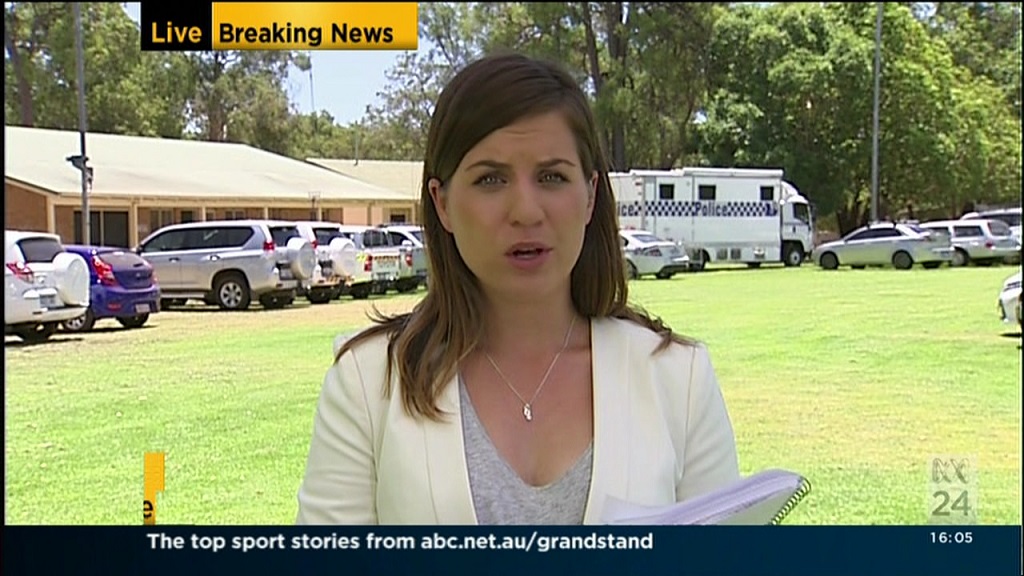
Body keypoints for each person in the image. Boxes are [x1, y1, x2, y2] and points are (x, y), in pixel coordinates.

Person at [295, 52, 740, 526]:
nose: (526, 211)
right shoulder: (368, 383)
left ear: (590, 194)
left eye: (552, 177)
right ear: (442, 204)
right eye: (491, 179)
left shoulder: (679, 379)